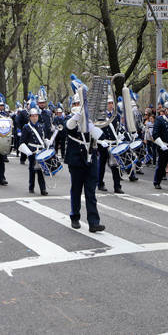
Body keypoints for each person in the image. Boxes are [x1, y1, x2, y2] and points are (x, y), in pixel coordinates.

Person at [64, 93, 105, 232]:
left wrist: (90, 124)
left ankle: (93, 222)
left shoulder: (91, 119)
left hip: (91, 158)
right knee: (76, 189)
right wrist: (78, 116)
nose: (79, 107)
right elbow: (69, 127)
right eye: (76, 104)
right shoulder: (71, 119)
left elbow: (99, 135)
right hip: (76, 159)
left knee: (90, 191)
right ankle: (74, 217)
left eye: (80, 104)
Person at [19, 106, 48, 195]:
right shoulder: (26, 127)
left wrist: (47, 141)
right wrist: (28, 152)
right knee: (32, 169)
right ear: (30, 117)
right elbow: (22, 142)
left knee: (40, 170)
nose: (35, 117)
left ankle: (43, 189)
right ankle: (31, 186)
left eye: (36, 116)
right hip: (32, 151)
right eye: (33, 116)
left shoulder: (41, 126)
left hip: (40, 150)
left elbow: (43, 138)